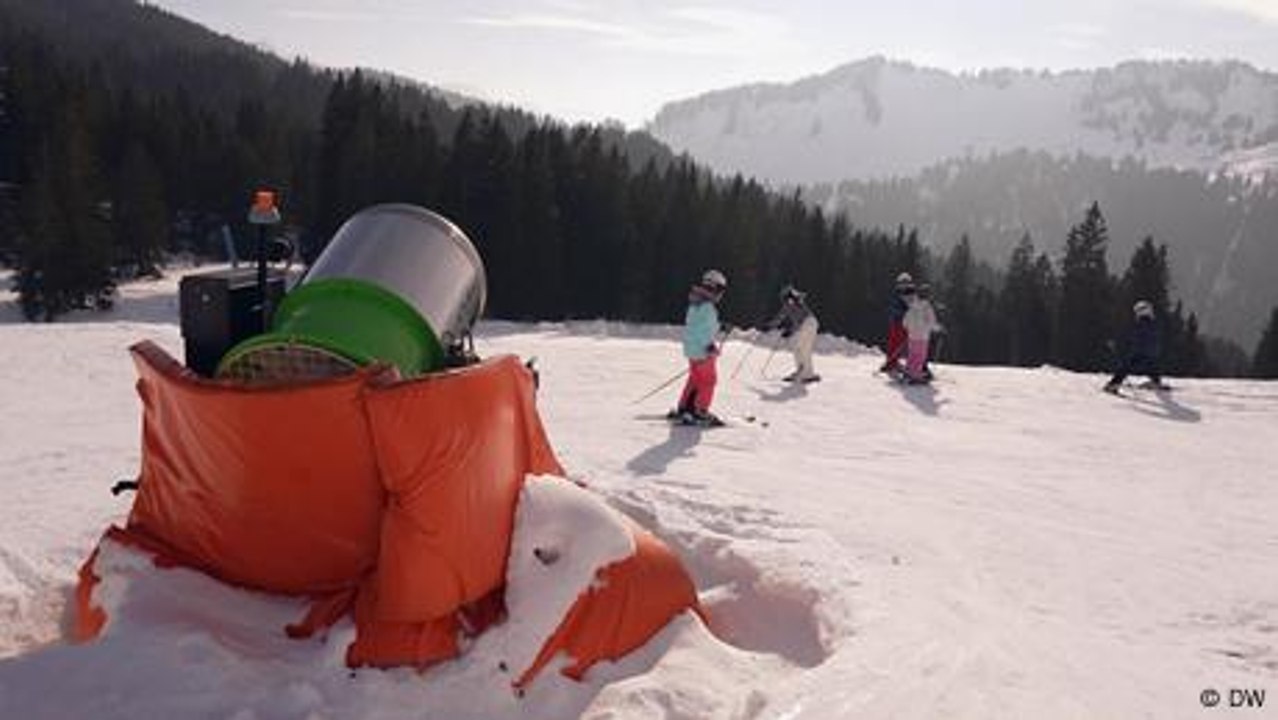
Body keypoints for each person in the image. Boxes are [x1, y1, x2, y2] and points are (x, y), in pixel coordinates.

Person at [671, 269, 729, 425]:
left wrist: (719, 326)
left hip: (692, 349)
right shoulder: (708, 308)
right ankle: (700, 410)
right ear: (715, 289)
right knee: (709, 381)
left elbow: (698, 325)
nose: (721, 296)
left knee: (695, 379)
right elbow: (702, 330)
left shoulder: (695, 304)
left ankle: (685, 407)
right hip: (703, 351)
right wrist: (709, 346)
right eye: (721, 292)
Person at [1104, 300, 1168, 393]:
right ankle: (1156, 381)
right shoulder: (1153, 324)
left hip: (1140, 352)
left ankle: (1114, 384)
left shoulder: (1140, 324)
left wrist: (1118, 344)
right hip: (1152, 353)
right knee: (1151, 366)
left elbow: (1130, 336)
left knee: (1125, 366)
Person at [763, 285, 820, 382]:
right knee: (798, 347)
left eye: (783, 298)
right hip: (808, 325)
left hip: (808, 324)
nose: (783, 301)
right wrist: (770, 326)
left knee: (803, 348)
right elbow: (783, 317)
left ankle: (807, 374)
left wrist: (789, 330)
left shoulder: (793, 303)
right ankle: (802, 371)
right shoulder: (791, 304)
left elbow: (797, 319)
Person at [902, 283, 941, 384]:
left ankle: (908, 371)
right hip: (922, 336)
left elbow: (905, 322)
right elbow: (931, 322)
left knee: (912, 355)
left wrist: (909, 329)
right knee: (920, 357)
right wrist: (938, 329)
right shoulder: (927, 307)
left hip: (912, 336)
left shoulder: (911, 306)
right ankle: (915, 374)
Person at [880, 272, 915, 373]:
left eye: (906, 282)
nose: (904, 285)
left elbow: (915, 307)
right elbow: (892, 307)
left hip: (908, 323)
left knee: (910, 344)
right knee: (894, 343)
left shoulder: (912, 293)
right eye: (902, 282)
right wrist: (901, 312)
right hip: (896, 322)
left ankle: (915, 365)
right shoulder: (896, 293)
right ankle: (891, 362)